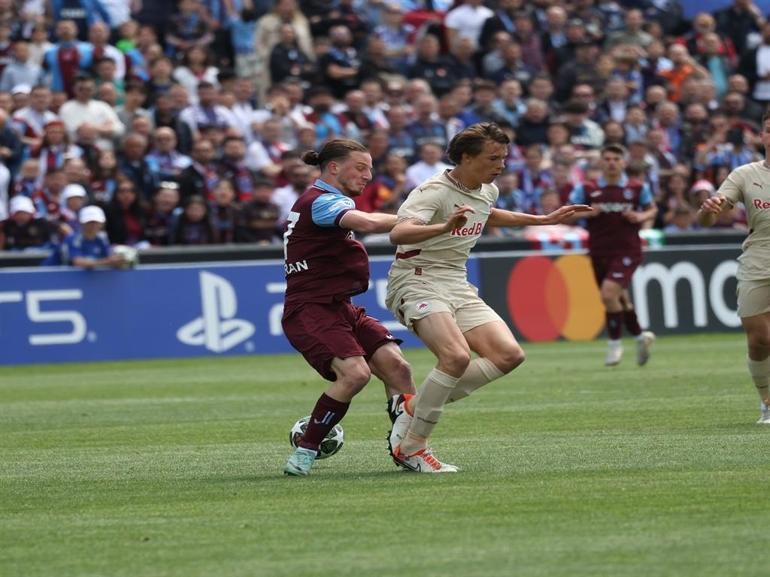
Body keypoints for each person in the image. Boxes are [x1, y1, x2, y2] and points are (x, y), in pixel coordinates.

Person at [385, 123, 591, 473]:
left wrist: (542, 220)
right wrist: (443, 227)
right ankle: (413, 447)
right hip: (417, 279)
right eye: (493, 158)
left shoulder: (487, 190)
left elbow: (487, 213)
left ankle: (412, 408)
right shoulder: (433, 191)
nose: (500, 165)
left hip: (456, 282)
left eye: (504, 158)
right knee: (455, 358)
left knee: (508, 355)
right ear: (465, 157)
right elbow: (398, 232)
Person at [282, 139, 420, 477]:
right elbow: (369, 224)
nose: (368, 176)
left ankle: (411, 448)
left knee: (397, 367)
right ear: (333, 168)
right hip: (311, 307)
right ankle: (305, 452)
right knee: (355, 374)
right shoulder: (323, 202)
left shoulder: (322, 201)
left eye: (370, 168)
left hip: (339, 306)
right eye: (360, 167)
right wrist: (415, 217)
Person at [697, 107, 770, 424]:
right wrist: (708, 209)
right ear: (762, 136)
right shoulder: (745, 174)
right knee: (758, 338)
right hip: (758, 256)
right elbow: (709, 216)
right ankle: (767, 401)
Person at [568, 144, 658, 366]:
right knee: (620, 298)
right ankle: (640, 337)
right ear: (601, 162)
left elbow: (652, 209)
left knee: (608, 295)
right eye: (607, 158)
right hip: (599, 250)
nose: (611, 162)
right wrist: (585, 212)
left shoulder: (636, 187)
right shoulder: (587, 188)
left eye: (615, 159)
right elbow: (568, 213)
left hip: (628, 249)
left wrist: (641, 216)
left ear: (623, 163)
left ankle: (614, 345)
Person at [58, 205, 128, 269]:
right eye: (89, 222)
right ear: (81, 223)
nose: (93, 225)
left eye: (96, 222)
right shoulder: (72, 239)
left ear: (102, 223)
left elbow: (108, 256)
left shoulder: (102, 239)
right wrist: (108, 262)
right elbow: (78, 262)